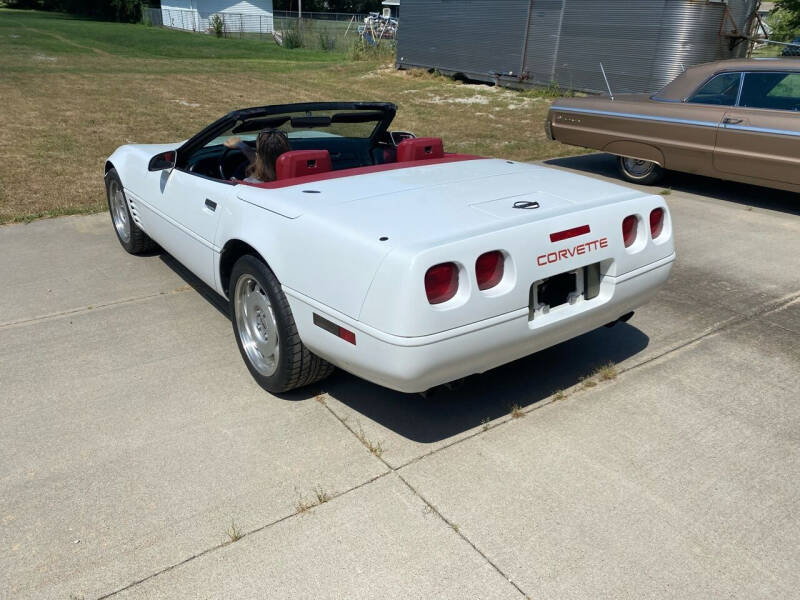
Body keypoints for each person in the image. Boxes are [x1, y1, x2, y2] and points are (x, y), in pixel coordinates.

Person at [223, 129, 291, 183]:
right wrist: (244, 147)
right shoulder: (296, 175)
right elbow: (267, 159)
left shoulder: (249, 184)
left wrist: (233, 180)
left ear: (258, 155)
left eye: (256, 150)